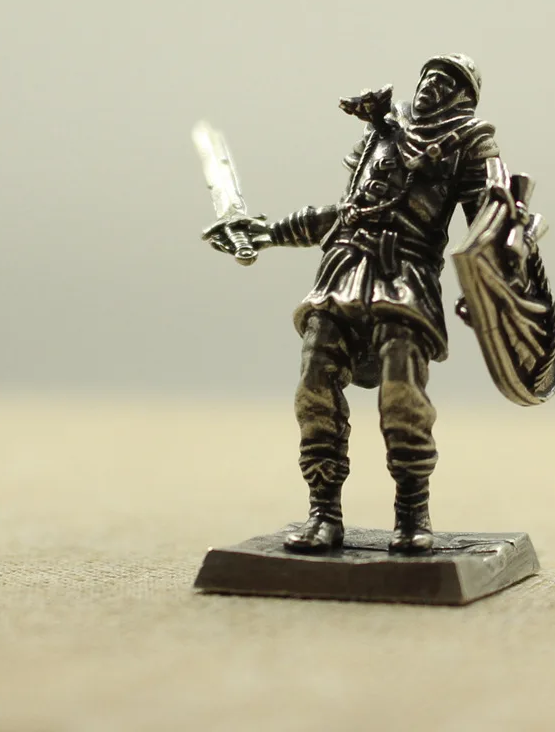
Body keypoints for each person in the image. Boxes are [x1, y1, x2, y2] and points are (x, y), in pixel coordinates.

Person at [208, 54, 517, 554]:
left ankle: (412, 514)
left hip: (405, 281)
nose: (432, 87)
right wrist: (266, 232)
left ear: (463, 98)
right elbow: (344, 213)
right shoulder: (383, 131)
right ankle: (323, 513)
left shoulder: (469, 143)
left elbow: (488, 225)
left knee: (402, 397)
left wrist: (486, 291)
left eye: (447, 82)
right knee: (314, 386)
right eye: (430, 77)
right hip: (342, 271)